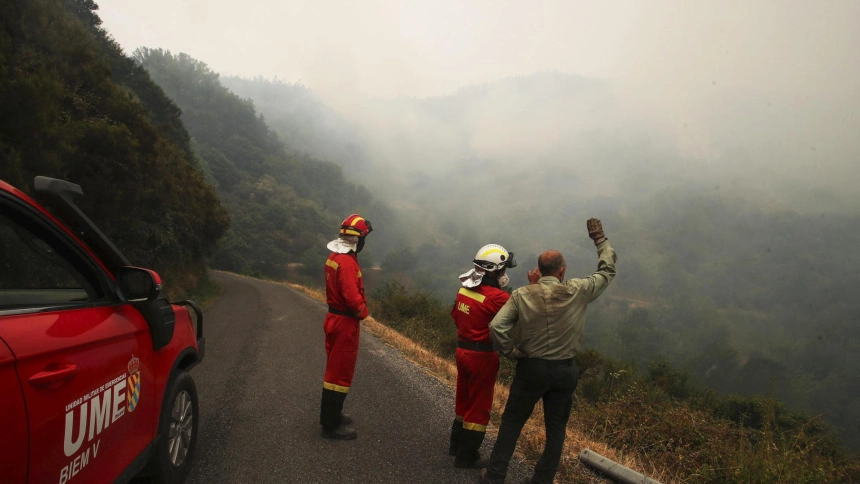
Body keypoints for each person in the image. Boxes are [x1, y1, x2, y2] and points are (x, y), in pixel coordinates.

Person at [480, 218, 617, 484]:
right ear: (562, 271)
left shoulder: (522, 294)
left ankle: (494, 476)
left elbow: (496, 327)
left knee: (512, 423)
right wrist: (600, 240)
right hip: (565, 371)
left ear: (539, 271)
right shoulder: (578, 290)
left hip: (531, 369)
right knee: (556, 431)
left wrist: (512, 352)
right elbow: (607, 270)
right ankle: (542, 480)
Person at [449, 244, 517, 468]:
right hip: (482, 357)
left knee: (463, 398)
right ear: (495, 271)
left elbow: (456, 317)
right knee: (479, 406)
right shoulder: (498, 297)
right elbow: (518, 318)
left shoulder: (463, 290)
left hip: (462, 351)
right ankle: (467, 456)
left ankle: (455, 445)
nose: (504, 274)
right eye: (503, 270)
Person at [319, 214, 373, 440]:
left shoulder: (334, 257)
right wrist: (363, 313)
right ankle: (331, 425)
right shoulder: (348, 263)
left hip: (334, 318)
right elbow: (352, 297)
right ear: (357, 239)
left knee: (334, 369)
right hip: (345, 323)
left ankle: (334, 415)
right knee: (339, 374)